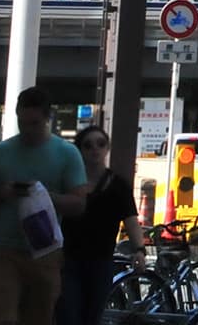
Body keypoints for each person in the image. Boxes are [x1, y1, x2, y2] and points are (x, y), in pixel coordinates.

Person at [0, 86, 90, 325]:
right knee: (1, 318)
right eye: (22, 123)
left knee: (39, 318)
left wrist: (45, 197)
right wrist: (2, 194)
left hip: (46, 251)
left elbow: (79, 204)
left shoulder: (67, 154)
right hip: (3, 250)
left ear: (47, 118)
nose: (28, 130)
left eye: (35, 123)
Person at [56, 125, 144, 325]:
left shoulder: (118, 185)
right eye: (88, 145)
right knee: (68, 315)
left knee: (92, 316)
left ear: (107, 148)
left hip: (101, 261)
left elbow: (131, 220)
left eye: (101, 144)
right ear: (79, 150)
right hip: (67, 259)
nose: (95, 149)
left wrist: (139, 250)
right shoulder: (68, 182)